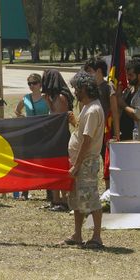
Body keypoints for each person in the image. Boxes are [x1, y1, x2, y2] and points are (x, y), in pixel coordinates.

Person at [61, 71, 104, 249]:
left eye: (77, 88)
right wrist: (74, 122)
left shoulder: (93, 110)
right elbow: (82, 131)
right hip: (79, 161)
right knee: (77, 199)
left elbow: (87, 140)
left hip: (86, 161)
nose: (75, 92)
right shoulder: (86, 107)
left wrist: (77, 165)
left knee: (90, 198)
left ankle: (96, 237)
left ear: (85, 88)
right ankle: (77, 234)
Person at [84, 57, 120, 190]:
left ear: (98, 71)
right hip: (92, 131)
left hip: (107, 131)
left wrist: (116, 134)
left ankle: (109, 192)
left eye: (89, 71)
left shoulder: (108, 87)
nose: (88, 75)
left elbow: (115, 112)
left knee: (108, 163)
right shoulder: (90, 89)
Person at [41, 69, 73, 211]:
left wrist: (48, 103)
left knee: (61, 166)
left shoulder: (60, 97)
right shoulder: (53, 97)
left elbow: (57, 117)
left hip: (60, 137)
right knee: (53, 166)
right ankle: (56, 199)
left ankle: (64, 199)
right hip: (53, 137)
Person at [14, 73, 50, 200]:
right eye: (29, 83)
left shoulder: (46, 98)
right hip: (29, 134)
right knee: (27, 162)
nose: (32, 86)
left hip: (43, 134)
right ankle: (25, 192)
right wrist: (22, 117)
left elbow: (52, 113)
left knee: (45, 162)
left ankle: (49, 192)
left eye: (34, 83)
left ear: (40, 84)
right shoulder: (26, 98)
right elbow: (17, 110)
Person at [117, 58, 140, 139]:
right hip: (125, 136)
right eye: (127, 75)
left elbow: (137, 115)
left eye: (131, 75)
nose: (128, 78)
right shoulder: (128, 90)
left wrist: (123, 104)